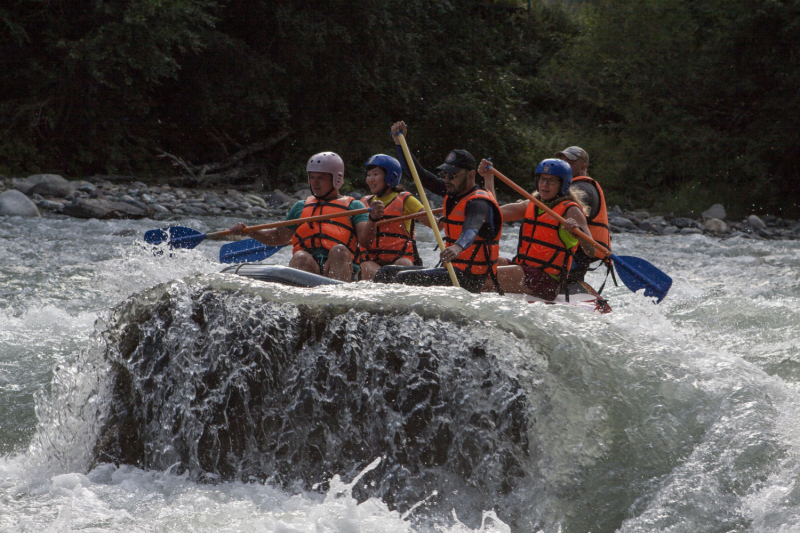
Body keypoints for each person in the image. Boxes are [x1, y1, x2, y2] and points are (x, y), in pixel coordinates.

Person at [375, 121, 503, 294]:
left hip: (470, 280)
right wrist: (400, 143)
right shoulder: (451, 191)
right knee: (385, 273)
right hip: (452, 273)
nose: (447, 180)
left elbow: (471, 228)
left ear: (471, 175)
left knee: (403, 279)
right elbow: (417, 173)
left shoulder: (479, 202)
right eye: (444, 174)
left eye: (453, 175)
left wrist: (457, 247)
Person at [228, 152, 380, 282]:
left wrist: (372, 220)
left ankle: (337, 302)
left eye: (321, 178)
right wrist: (249, 231)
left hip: (337, 268)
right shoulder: (301, 206)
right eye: (312, 177)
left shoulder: (354, 207)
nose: (315, 183)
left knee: (339, 251)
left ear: (336, 179)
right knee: (300, 256)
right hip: (309, 269)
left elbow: (366, 242)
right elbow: (278, 237)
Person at [477, 158, 595, 300]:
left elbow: (591, 251)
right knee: (477, 262)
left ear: (563, 184)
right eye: (542, 179)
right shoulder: (531, 204)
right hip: (524, 268)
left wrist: (578, 234)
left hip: (546, 281)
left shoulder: (571, 210)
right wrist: (488, 178)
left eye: (551, 181)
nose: (544, 185)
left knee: (482, 276)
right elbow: (493, 214)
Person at [358, 154, 428, 281]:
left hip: (400, 258)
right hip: (371, 260)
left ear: (391, 176)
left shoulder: (406, 200)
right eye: (368, 175)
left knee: (404, 265)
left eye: (375, 174)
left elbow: (437, 225)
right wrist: (372, 219)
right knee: (368, 268)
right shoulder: (363, 203)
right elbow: (363, 242)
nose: (370, 179)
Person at [555, 146, 611, 283]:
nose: (565, 166)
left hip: (579, 253)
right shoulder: (570, 186)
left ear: (583, 167)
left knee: (567, 281)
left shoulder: (583, 189)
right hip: (572, 251)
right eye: (563, 161)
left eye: (570, 162)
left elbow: (566, 205)